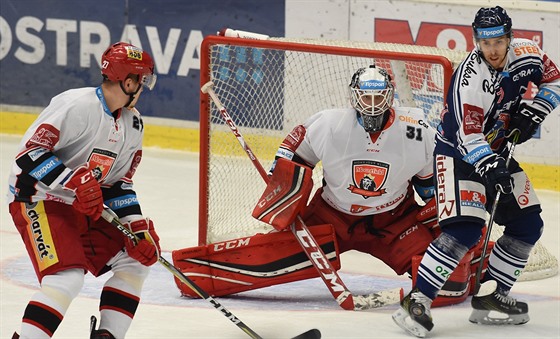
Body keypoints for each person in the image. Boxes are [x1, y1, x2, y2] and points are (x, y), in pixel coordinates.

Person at [393, 6, 560, 338]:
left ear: (510, 38)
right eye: (486, 43)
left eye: (499, 41)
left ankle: (492, 297)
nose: (493, 50)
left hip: (496, 151)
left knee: (528, 224)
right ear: (476, 43)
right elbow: (468, 136)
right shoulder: (469, 80)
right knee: (465, 230)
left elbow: (554, 80)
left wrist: (533, 111)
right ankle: (418, 299)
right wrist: (492, 168)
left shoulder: (528, 54)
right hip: (458, 156)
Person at [8, 42, 161, 339]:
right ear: (128, 82)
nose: (143, 88)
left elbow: (118, 185)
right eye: (141, 81)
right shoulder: (77, 106)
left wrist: (136, 226)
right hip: (38, 198)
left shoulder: (134, 124)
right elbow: (28, 155)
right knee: (66, 279)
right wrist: (72, 181)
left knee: (135, 261)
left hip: (84, 206)